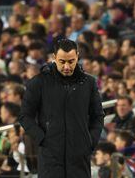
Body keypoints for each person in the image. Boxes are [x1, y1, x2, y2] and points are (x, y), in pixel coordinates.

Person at [19, 38, 104, 178]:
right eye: (62, 62)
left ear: (77, 56)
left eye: (71, 61)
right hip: (50, 158)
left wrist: (90, 141)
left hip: (79, 157)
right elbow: (25, 116)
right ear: (54, 58)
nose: (66, 67)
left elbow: (98, 116)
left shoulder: (89, 83)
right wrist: (42, 139)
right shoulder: (38, 82)